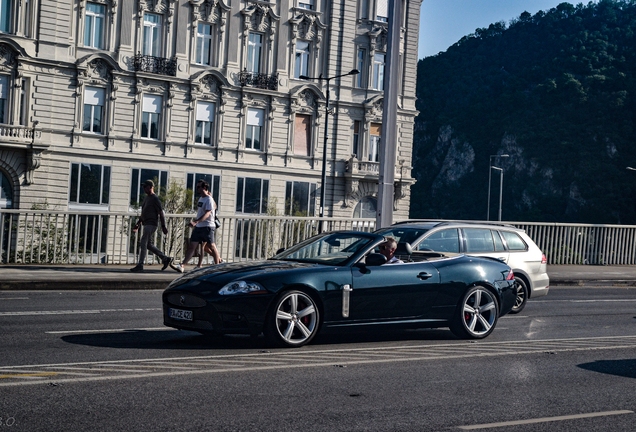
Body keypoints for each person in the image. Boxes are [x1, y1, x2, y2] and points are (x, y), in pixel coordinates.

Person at [174, 180, 218, 272]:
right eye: (197, 187)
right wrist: (197, 223)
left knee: (212, 246)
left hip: (207, 226)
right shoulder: (201, 198)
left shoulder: (208, 199)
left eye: (199, 187)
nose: (197, 189)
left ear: (204, 188)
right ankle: (182, 265)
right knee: (192, 246)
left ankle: (217, 266)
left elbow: (208, 213)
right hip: (199, 227)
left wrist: (196, 222)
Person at [130, 179, 173, 272]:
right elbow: (144, 213)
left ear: (151, 187)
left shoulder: (155, 199)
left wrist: (163, 226)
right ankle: (165, 258)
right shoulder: (146, 198)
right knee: (148, 245)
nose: (144, 188)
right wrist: (138, 224)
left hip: (151, 224)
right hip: (146, 223)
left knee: (143, 242)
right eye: (143, 187)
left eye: (145, 186)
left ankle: (140, 264)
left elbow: (161, 213)